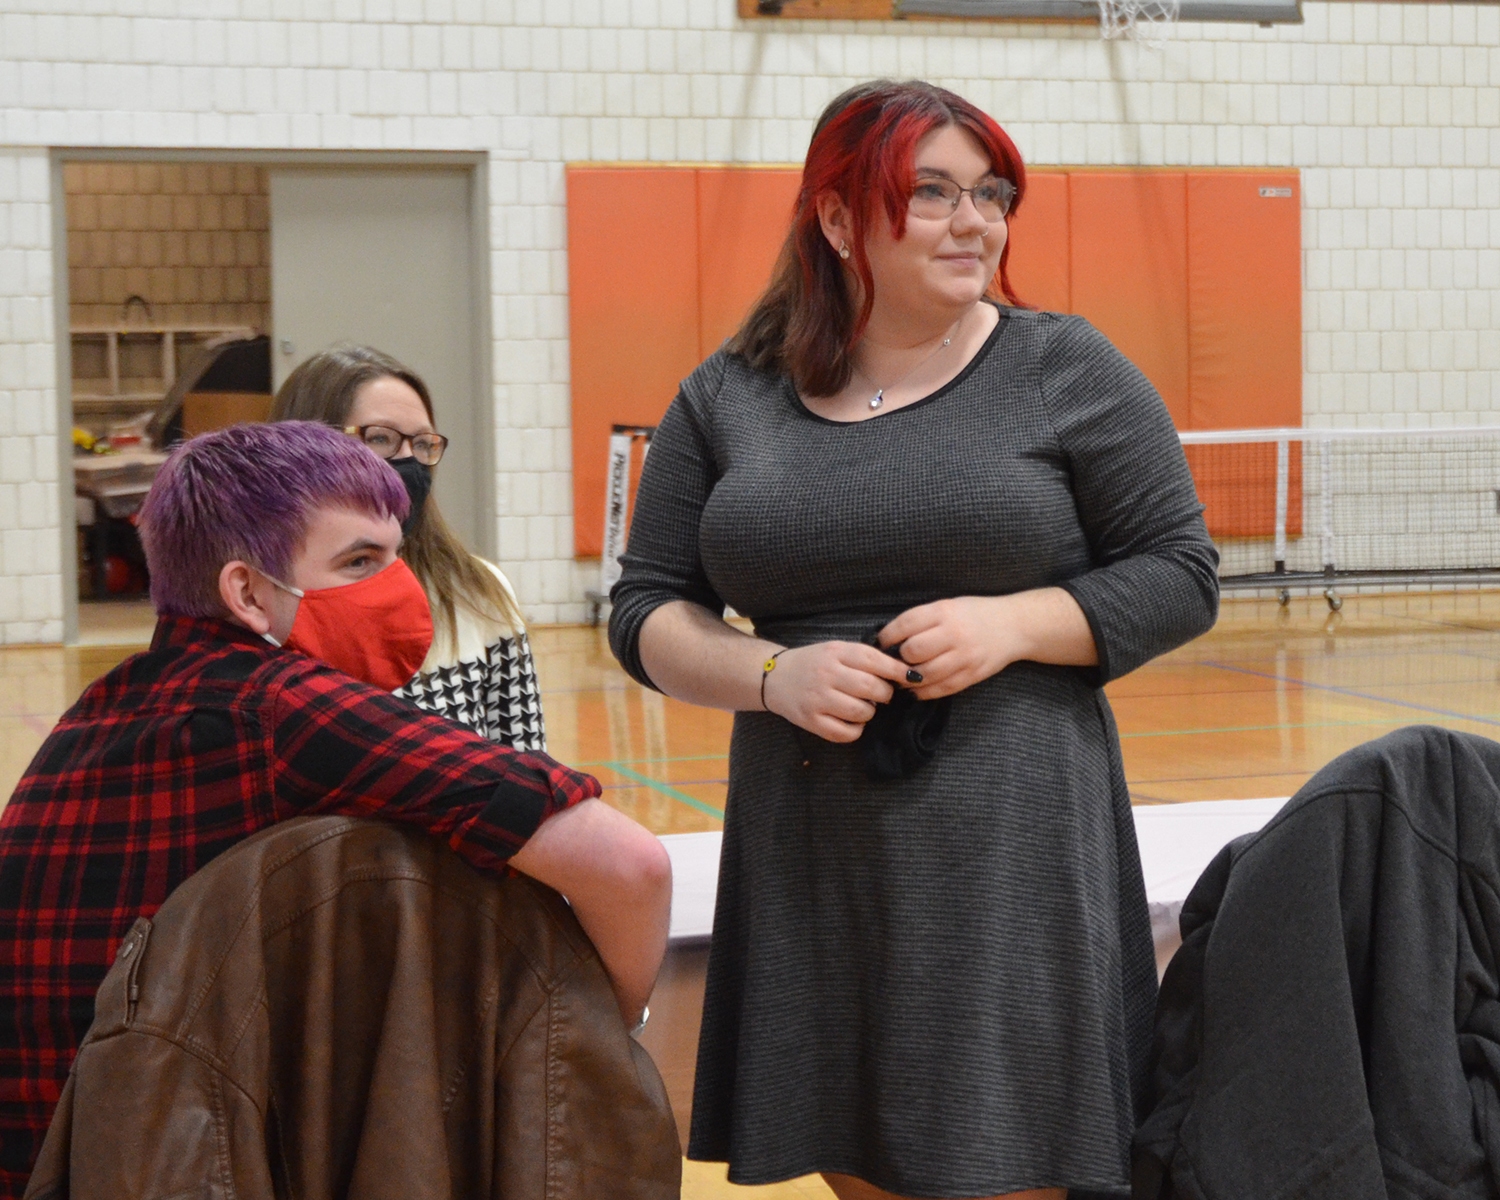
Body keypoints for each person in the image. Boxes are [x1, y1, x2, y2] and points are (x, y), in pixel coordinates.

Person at [608, 80, 1219, 1200]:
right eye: (931, 193)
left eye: (992, 195)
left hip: (1008, 842)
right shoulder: (728, 394)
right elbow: (646, 607)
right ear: (840, 219)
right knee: (855, 1150)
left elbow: (1181, 573)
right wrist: (771, 674)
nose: (974, 222)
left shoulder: (1065, 366)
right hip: (809, 842)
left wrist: (1015, 623)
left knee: (1005, 1153)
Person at [0, 421, 671, 1196]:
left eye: (396, 556)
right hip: (130, 1156)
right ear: (248, 593)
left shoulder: (107, 700)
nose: (398, 587)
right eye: (359, 562)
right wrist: (603, 1027)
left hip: (52, 1147)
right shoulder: (284, 706)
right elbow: (630, 865)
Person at [273, 345, 545, 750]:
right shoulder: (270, 601)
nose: (407, 460)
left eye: (421, 443)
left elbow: (527, 765)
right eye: (381, 438)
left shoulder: (478, 592)